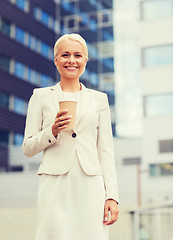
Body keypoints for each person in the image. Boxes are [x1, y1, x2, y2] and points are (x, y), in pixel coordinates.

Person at [22, 33, 119, 240]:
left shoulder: (99, 100)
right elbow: (28, 148)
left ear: (85, 60)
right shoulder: (40, 96)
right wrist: (52, 131)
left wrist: (112, 196)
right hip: (55, 183)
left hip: (91, 184)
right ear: (56, 59)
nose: (71, 60)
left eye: (77, 55)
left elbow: (106, 151)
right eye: (65, 55)